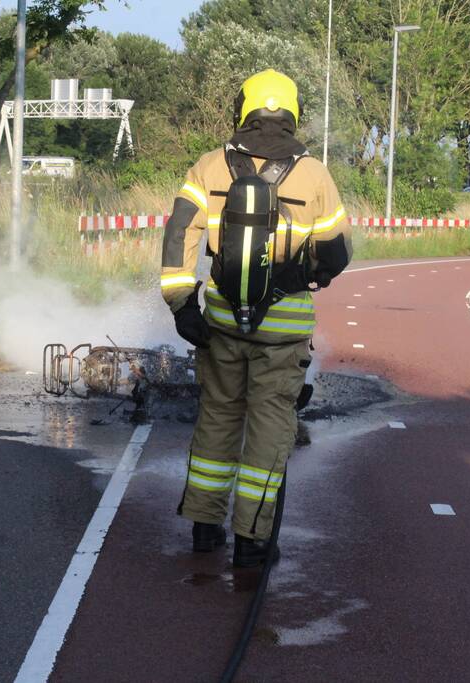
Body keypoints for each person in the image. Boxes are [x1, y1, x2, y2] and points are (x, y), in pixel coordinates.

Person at [160, 69, 352, 568]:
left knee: (219, 415)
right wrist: (310, 272)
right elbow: (336, 253)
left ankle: (205, 527)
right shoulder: (314, 175)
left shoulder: (208, 166)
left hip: (222, 319)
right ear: (293, 113)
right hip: (284, 330)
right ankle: (253, 540)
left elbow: (179, 230)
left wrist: (182, 304)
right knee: (269, 426)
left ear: (243, 109)